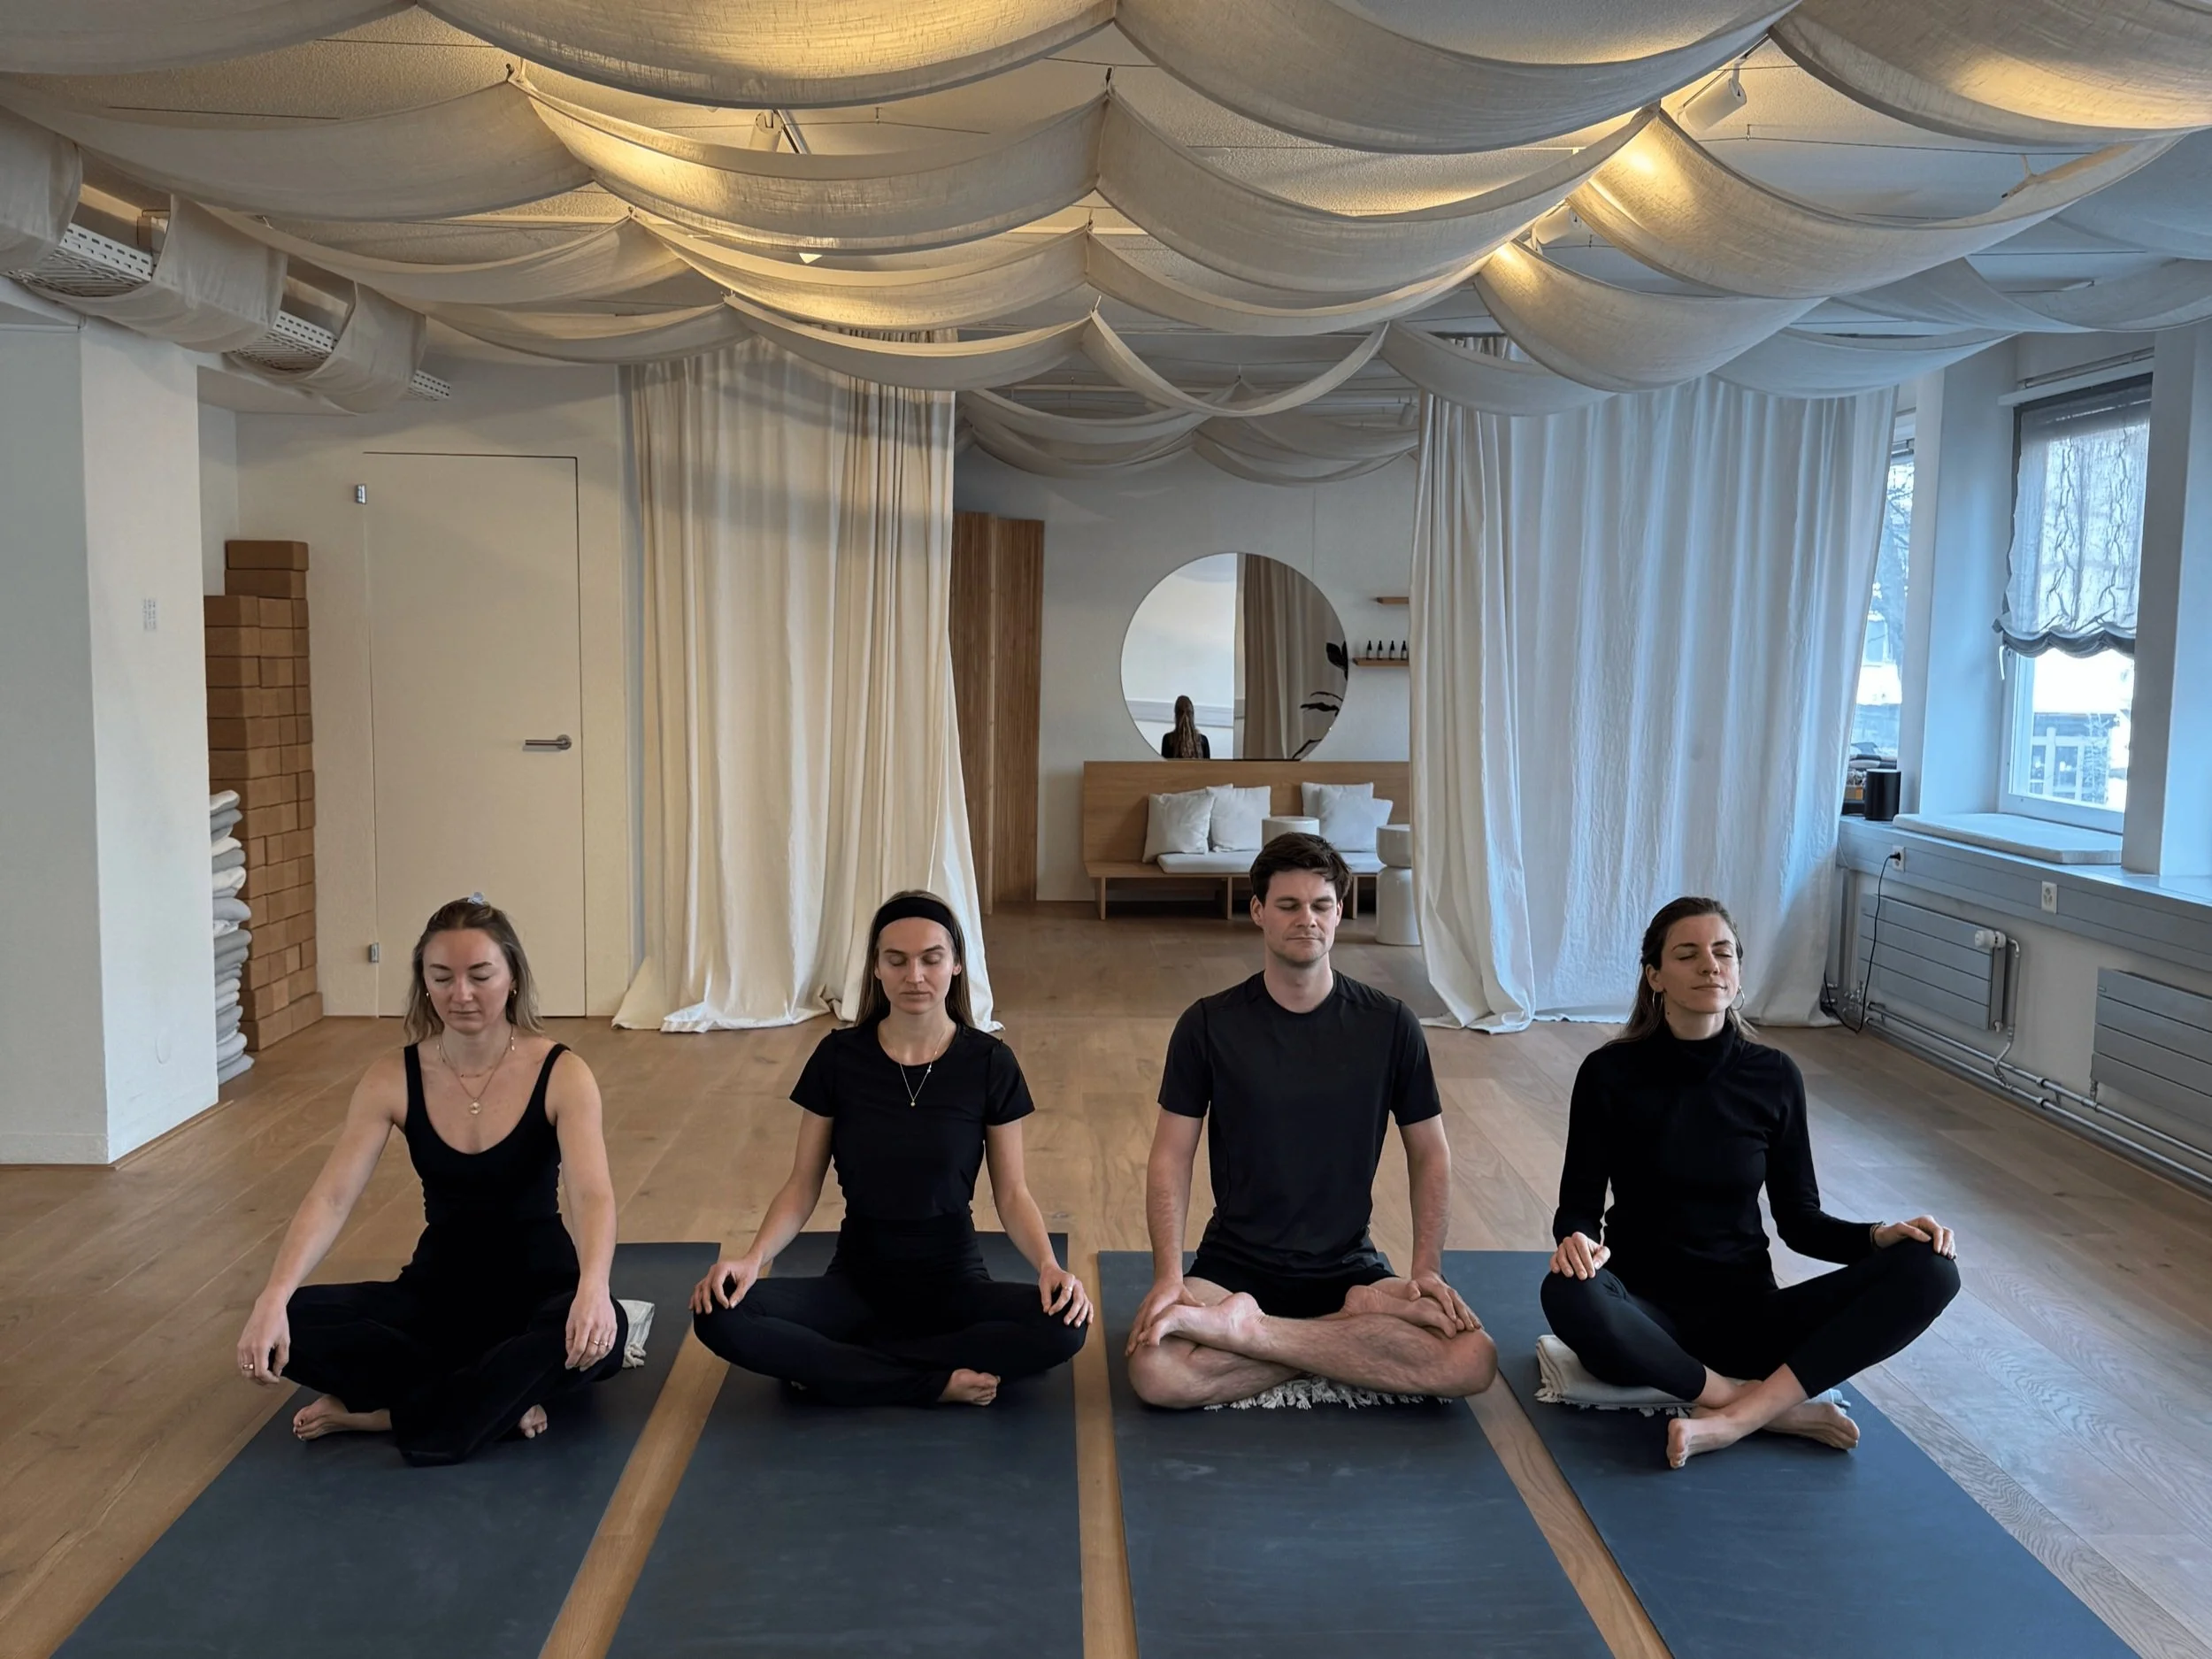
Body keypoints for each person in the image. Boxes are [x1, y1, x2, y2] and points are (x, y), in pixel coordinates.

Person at [1541, 896, 1961, 1468]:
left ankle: (1734, 1420)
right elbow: (1579, 1205)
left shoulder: (1774, 1076)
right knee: (1566, 1289)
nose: (1710, 966)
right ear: (1655, 975)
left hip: (1749, 1320)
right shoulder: (1610, 1072)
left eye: (1723, 953)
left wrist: (1877, 1235)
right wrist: (1578, 1240)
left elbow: (1801, 1223)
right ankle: (1760, 1407)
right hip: (1645, 1318)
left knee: (1932, 1268)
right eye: (1687, 955)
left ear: (1737, 971)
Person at [234, 897, 626, 1465]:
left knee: (597, 1344)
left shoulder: (563, 1071)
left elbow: (593, 1195)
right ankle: (493, 1398)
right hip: (436, 1298)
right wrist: (273, 1296)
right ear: (423, 982)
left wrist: (592, 1289)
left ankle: (391, 1415)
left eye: (480, 975)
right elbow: (331, 1196)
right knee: (287, 1323)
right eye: (441, 977)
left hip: (539, 1294)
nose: (460, 994)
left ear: (513, 977)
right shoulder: (392, 1076)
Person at [1125, 833, 1495, 1407]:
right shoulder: (1207, 1025)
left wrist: (1425, 1269)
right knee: (1156, 1371)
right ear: (1258, 912)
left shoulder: (1391, 1025)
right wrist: (1170, 1277)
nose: (1308, 919)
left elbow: (1431, 1152)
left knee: (1473, 1358)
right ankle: (1344, 1340)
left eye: (1321, 904)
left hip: (1348, 1266)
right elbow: (1170, 1155)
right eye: (1288, 905)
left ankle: (1255, 1332)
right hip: (1236, 1264)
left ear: (1340, 911)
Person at [690, 891, 1089, 1406]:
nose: (914, 975)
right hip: (858, 1283)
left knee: (1065, 1328)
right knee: (718, 1313)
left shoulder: (990, 1063)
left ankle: (844, 1367)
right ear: (876, 969)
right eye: (896, 960)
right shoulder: (839, 1057)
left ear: (958, 964)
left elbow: (1013, 1194)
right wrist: (751, 1259)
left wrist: (1049, 1268)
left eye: (931, 958)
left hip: (952, 1282)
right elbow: (801, 1184)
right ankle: (928, 1379)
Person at [1160, 694, 1212, 759]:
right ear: (1192, 715)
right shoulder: (1203, 741)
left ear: (1176, 716)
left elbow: (1164, 768)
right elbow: (1208, 768)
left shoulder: (1168, 740)